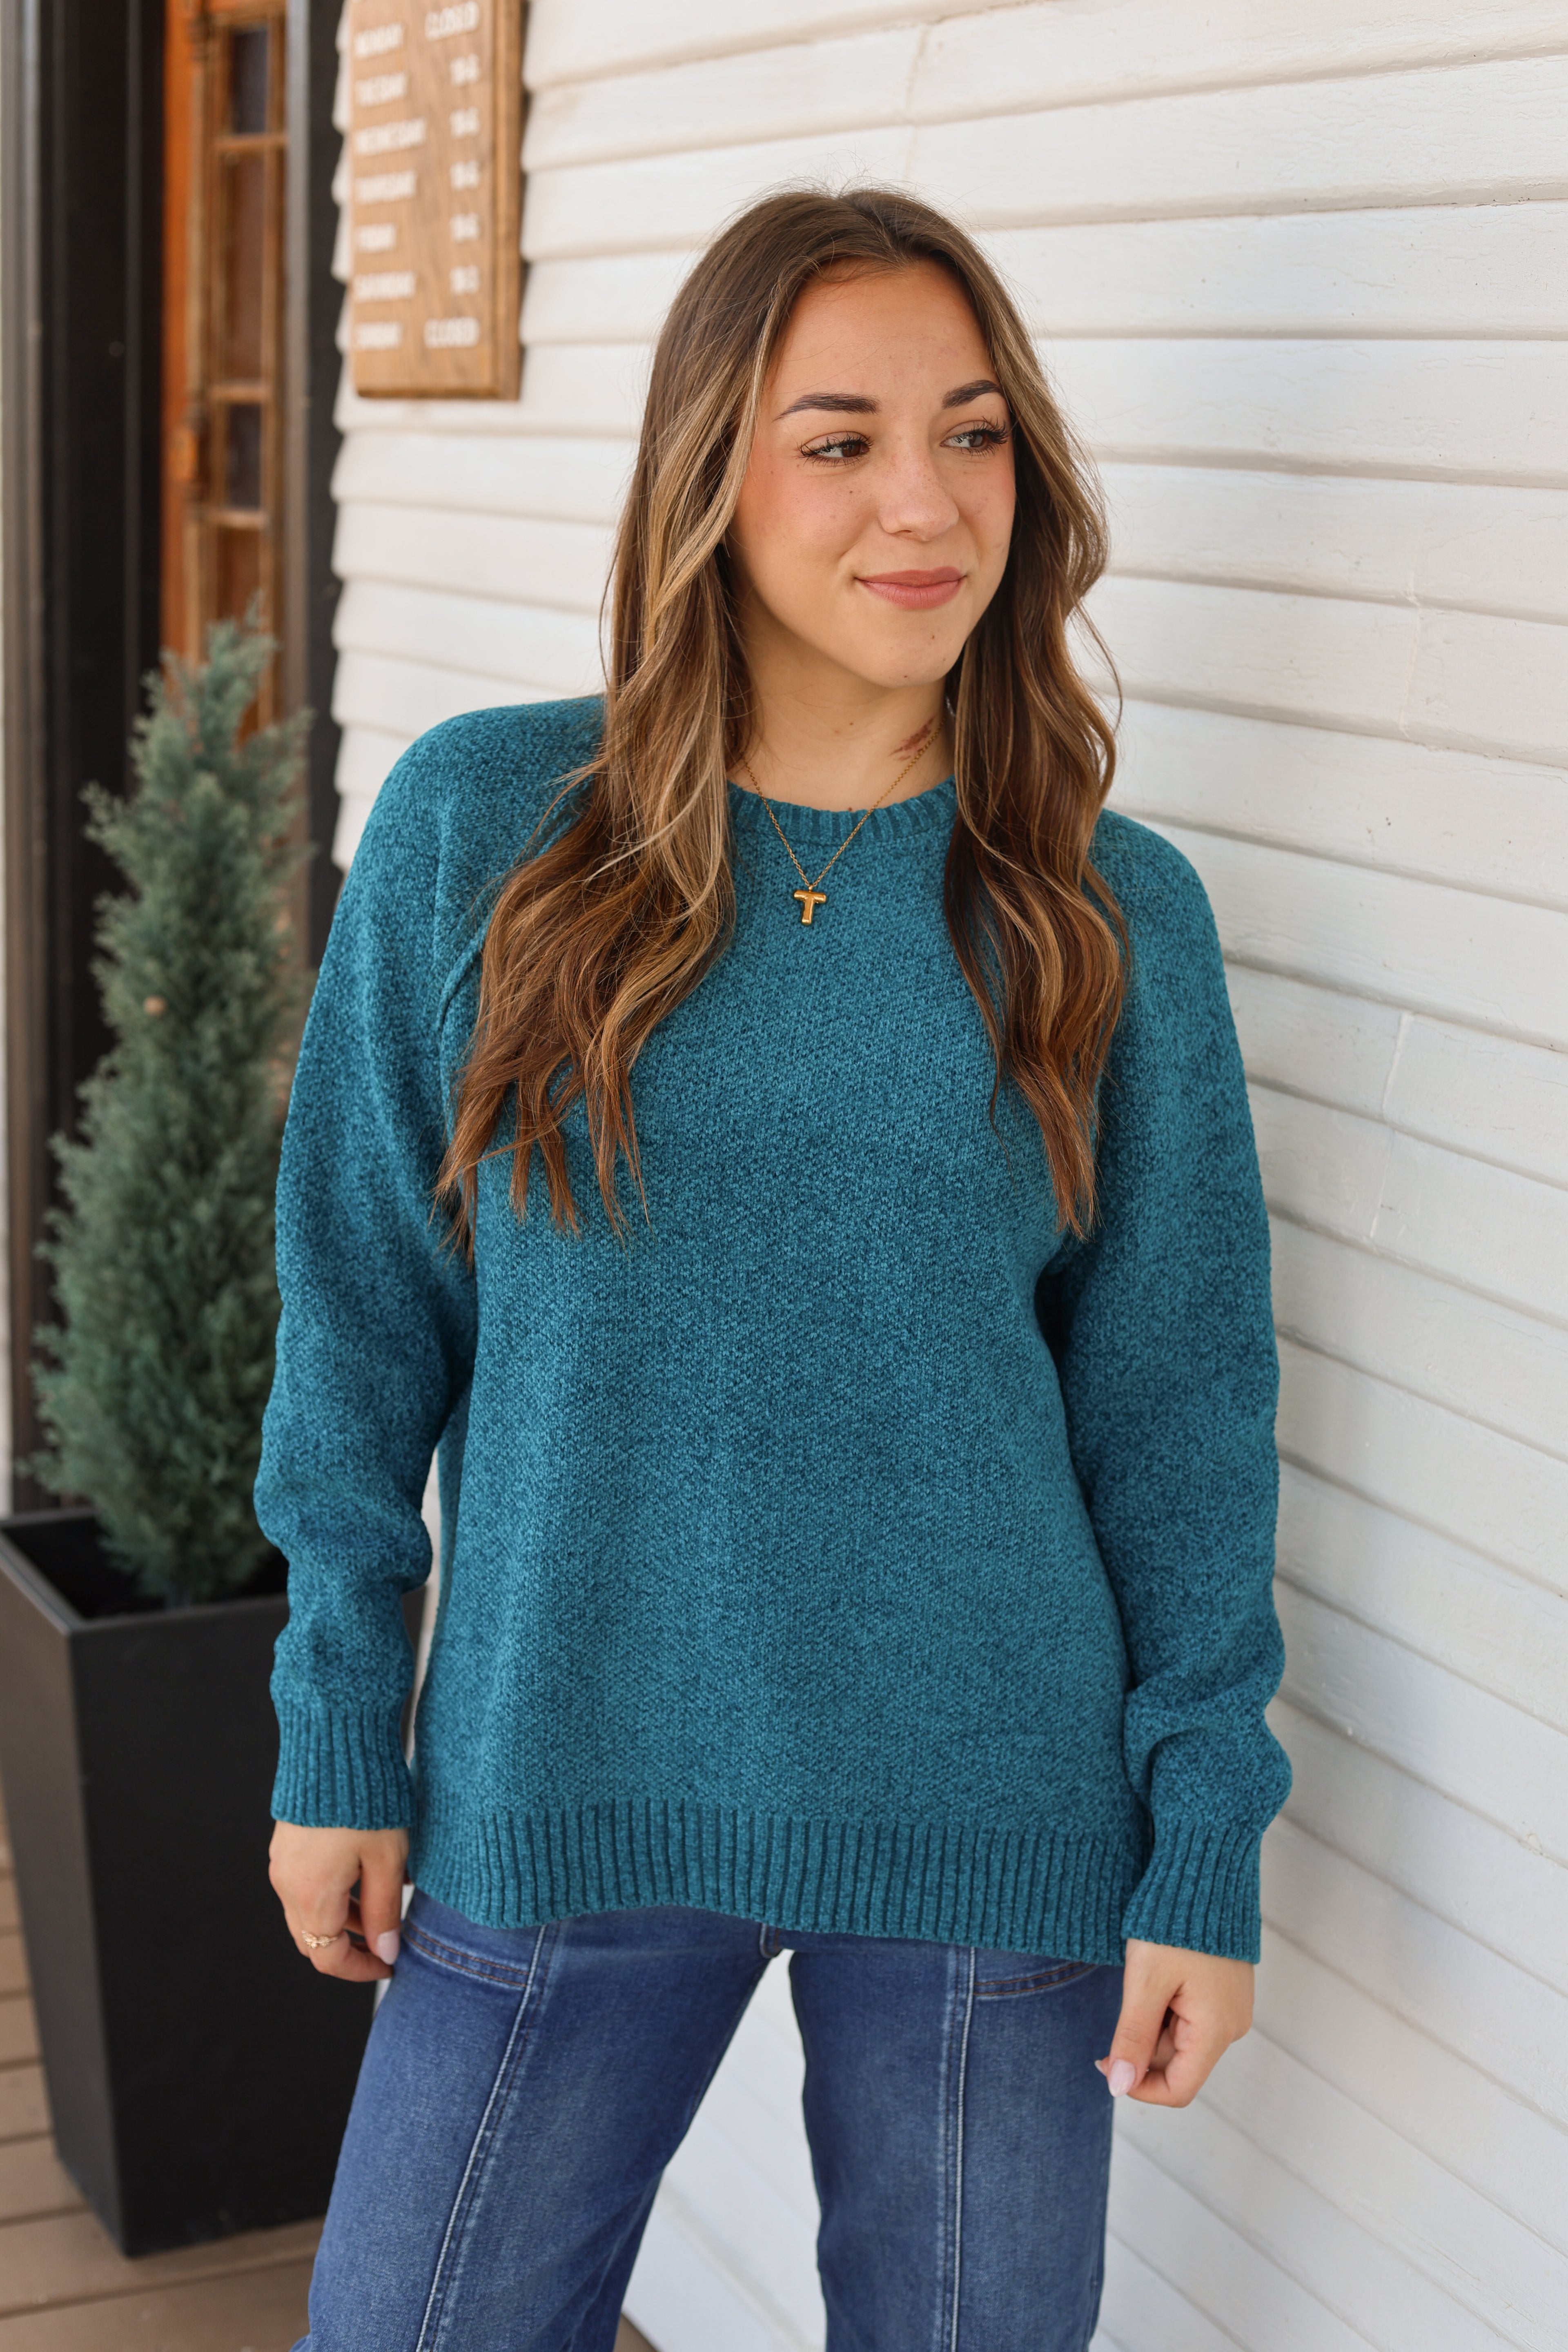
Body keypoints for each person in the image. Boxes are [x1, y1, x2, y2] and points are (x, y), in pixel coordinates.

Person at [261, 186, 1290, 2352]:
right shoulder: (486, 829)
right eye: (840, 441)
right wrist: (338, 1718)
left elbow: (1179, 1411)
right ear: (710, 477)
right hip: (561, 1765)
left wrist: (1205, 1831)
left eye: (975, 433)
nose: (926, 503)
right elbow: (360, 1306)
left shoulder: (1104, 912)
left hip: (992, 1807)